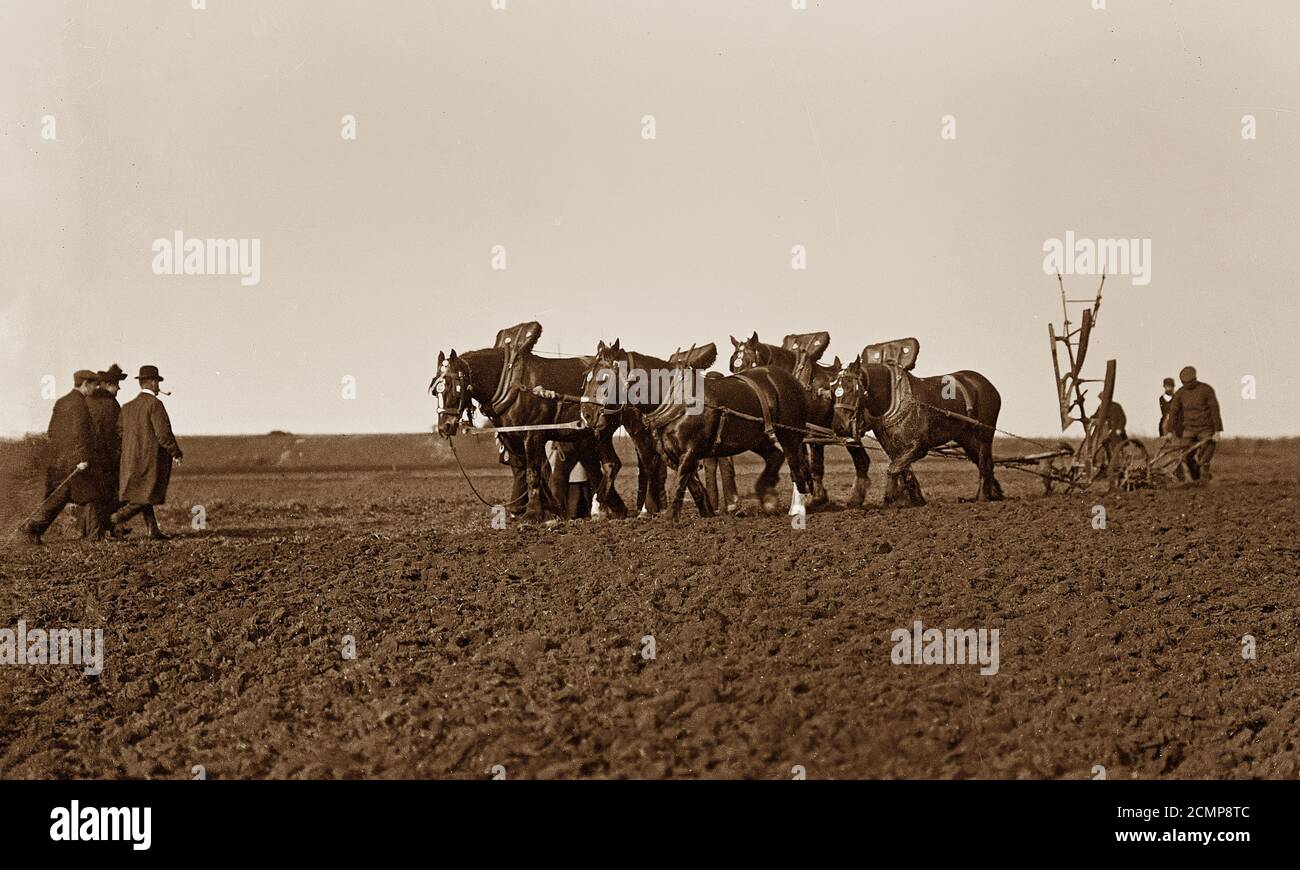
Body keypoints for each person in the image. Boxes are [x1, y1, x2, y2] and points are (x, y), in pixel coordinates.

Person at [18, 370, 109, 544]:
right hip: (77, 461)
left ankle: (33, 528)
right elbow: (80, 433)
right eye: (93, 385)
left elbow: (52, 431)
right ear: (85, 385)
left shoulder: (62, 402)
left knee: (60, 499)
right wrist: (83, 458)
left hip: (60, 460)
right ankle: (94, 536)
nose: (95, 389)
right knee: (93, 495)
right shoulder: (79, 404)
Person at [109, 365, 184, 540]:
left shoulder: (127, 407)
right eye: (157, 382)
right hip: (149, 460)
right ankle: (116, 518)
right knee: (145, 495)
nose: (158, 386)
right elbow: (163, 434)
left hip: (129, 460)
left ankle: (153, 529)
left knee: (141, 492)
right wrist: (176, 453)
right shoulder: (155, 405)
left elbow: (119, 431)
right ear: (152, 382)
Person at [81, 363, 128, 538]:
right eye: (117, 385)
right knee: (108, 493)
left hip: (89, 454)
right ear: (109, 385)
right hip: (106, 457)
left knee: (93, 494)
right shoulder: (110, 404)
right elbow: (112, 434)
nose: (119, 388)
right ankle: (103, 529)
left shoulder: (89, 400)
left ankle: (93, 530)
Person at [1166, 365, 1222, 483]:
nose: (1187, 385)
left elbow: (1214, 410)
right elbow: (1173, 412)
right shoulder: (1180, 393)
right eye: (1184, 383)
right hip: (1189, 428)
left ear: (1195, 379)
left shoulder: (1206, 390)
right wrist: (1169, 431)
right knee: (1185, 455)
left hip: (1206, 428)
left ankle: (1204, 477)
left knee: (1205, 455)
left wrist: (1217, 431)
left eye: (1189, 382)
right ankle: (1194, 479)